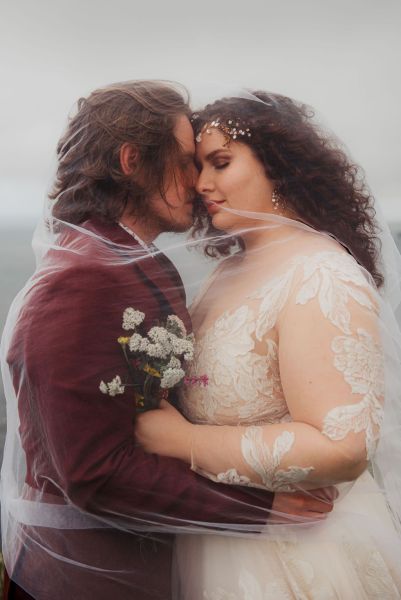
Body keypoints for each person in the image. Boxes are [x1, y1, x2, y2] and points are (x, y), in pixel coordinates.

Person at [0, 81, 334, 600]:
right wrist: (261, 509)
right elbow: (94, 475)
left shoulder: (141, 261)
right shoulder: (81, 279)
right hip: (90, 579)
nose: (198, 180)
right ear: (133, 160)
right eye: (184, 161)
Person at [135, 91, 401, 598]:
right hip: (222, 538)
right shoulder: (224, 273)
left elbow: (342, 445)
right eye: (197, 166)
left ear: (278, 167)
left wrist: (181, 442)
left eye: (220, 163)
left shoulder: (321, 274)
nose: (201, 183)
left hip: (301, 551)